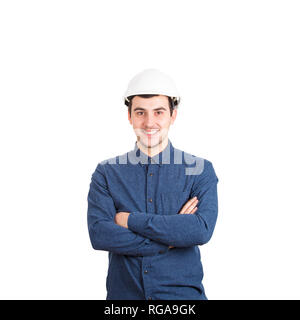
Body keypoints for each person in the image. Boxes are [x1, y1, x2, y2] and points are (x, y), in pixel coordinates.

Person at [87, 68, 219, 300]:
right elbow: (100, 235)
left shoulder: (199, 170)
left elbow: (200, 230)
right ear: (129, 116)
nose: (149, 122)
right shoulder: (107, 173)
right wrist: (169, 238)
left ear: (172, 115)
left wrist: (128, 220)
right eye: (140, 112)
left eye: (158, 112)